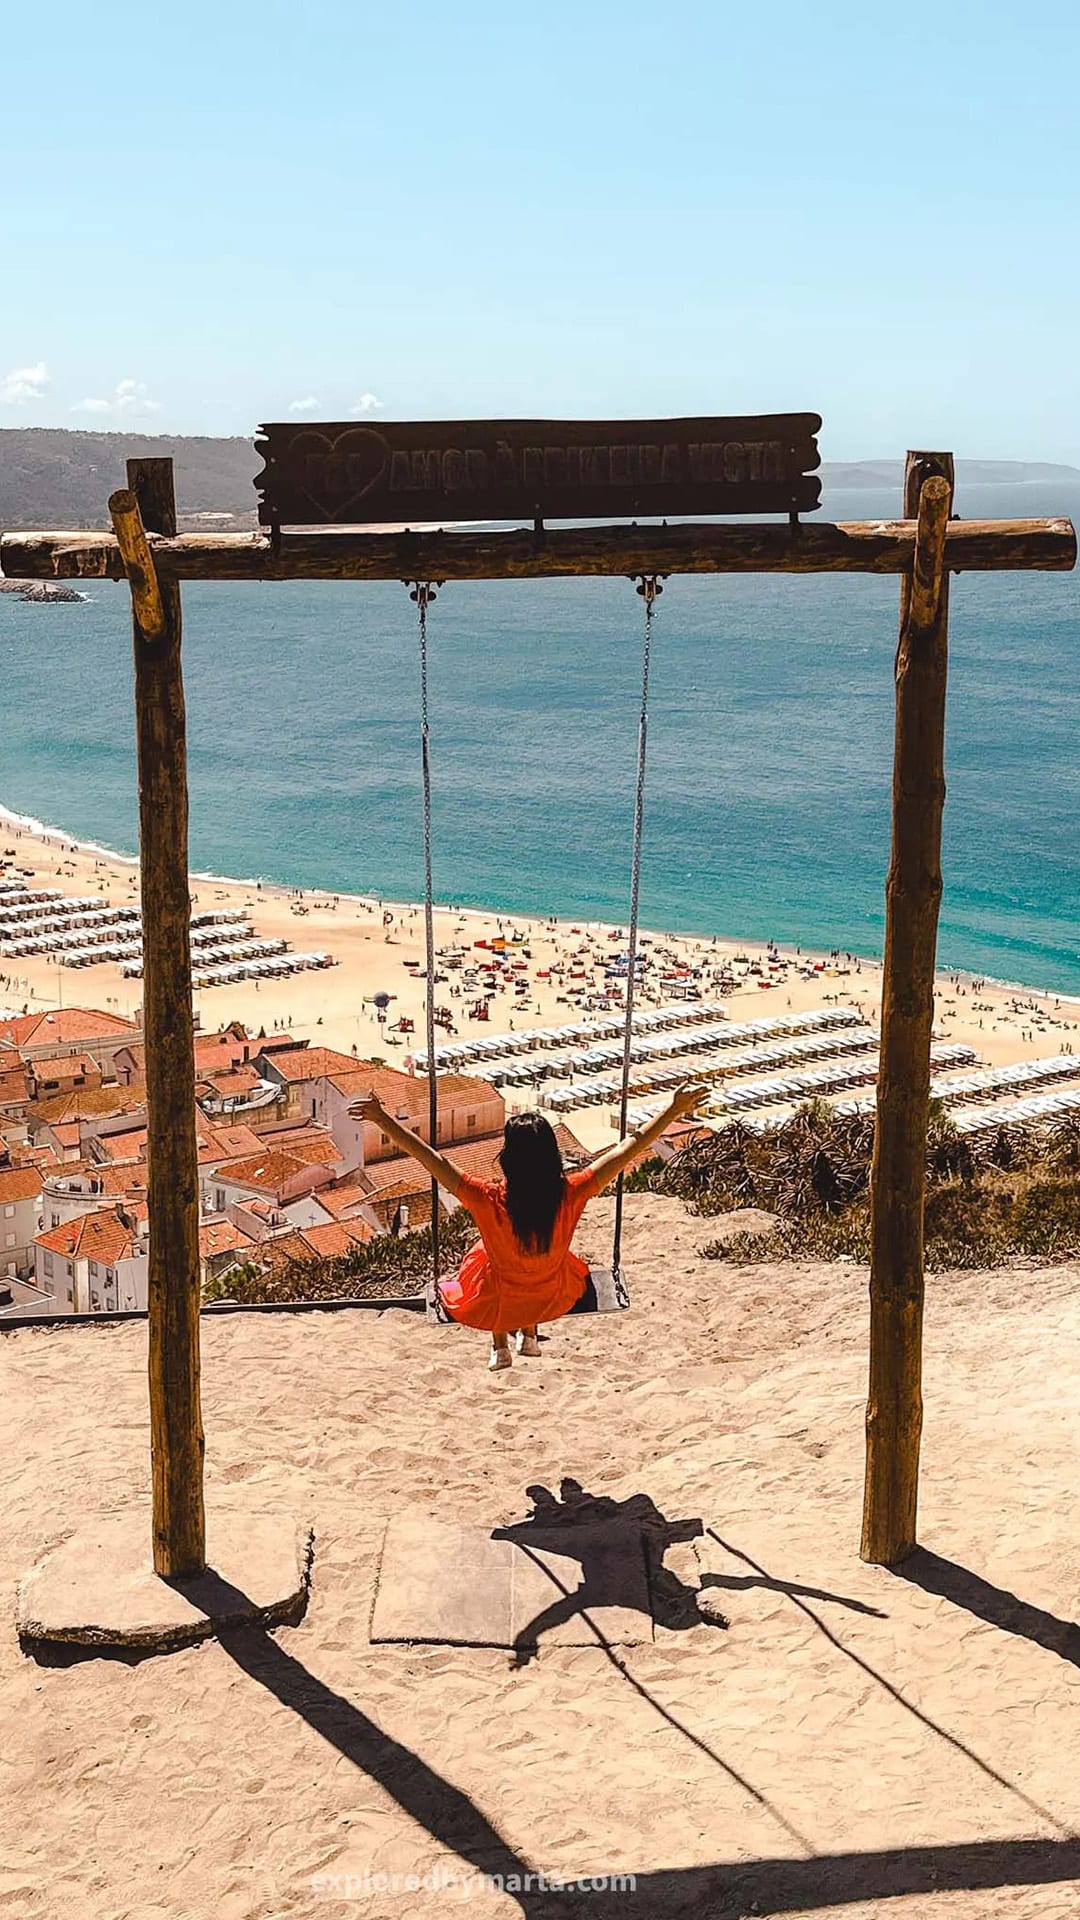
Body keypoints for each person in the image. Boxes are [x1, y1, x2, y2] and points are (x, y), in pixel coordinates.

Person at [349, 1080, 706, 1371]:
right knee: (530, 1261)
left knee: (482, 1256)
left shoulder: (486, 1198)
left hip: (500, 1298)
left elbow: (428, 1157)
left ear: (508, 1157)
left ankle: (500, 1346)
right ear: (551, 1154)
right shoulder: (572, 1191)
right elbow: (629, 1148)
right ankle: (530, 1337)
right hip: (552, 1295)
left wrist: (381, 1119)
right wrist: (673, 1109)